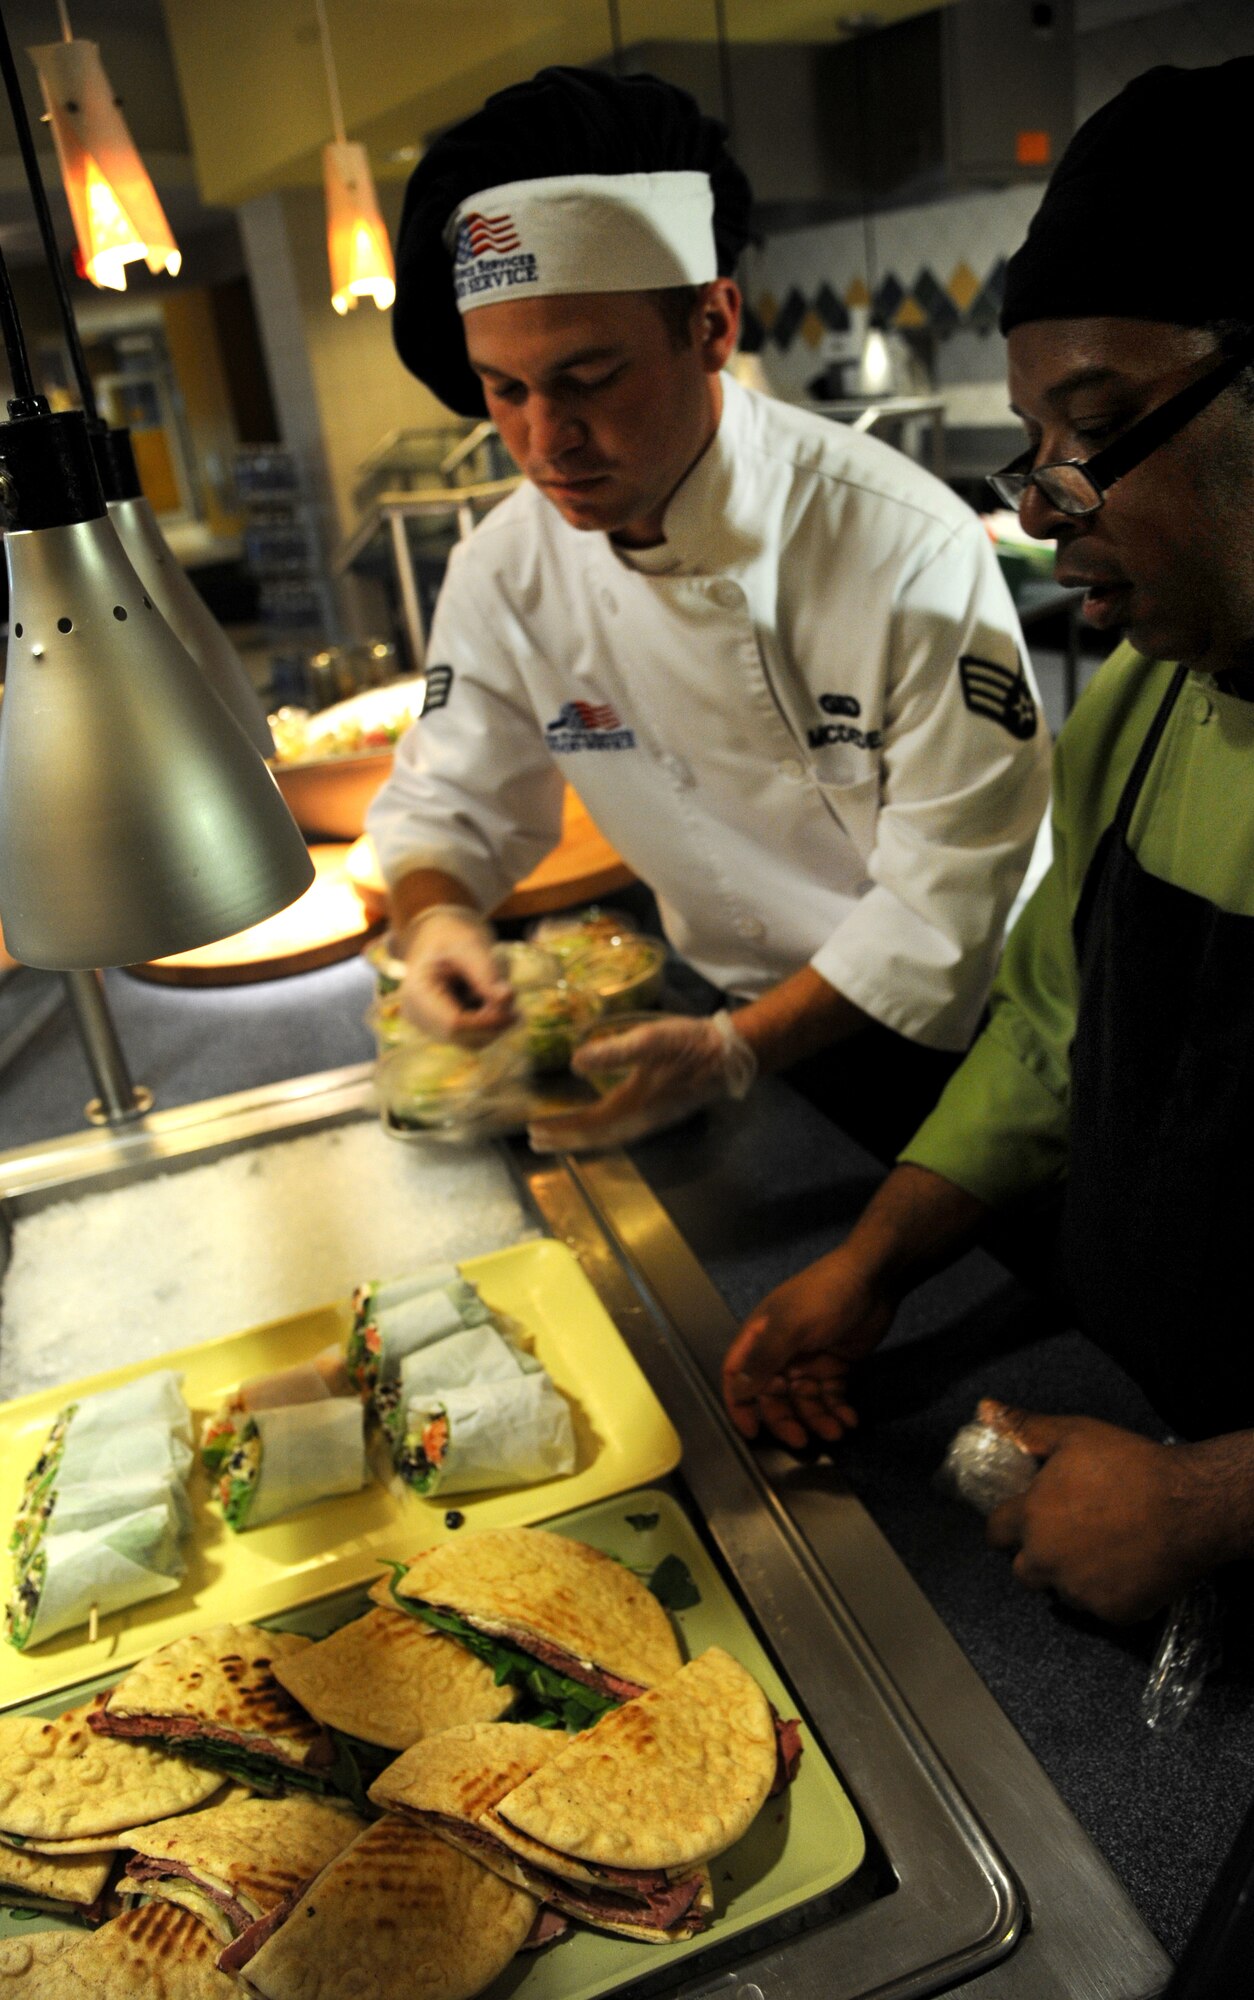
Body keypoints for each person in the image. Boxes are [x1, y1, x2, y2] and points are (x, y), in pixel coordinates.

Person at [722, 55, 1254, 1629]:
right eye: (1032, 445)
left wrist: (1211, 1502)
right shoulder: (1144, 711)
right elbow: (1046, 1031)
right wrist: (875, 1259)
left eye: (1092, 427)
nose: (1042, 507)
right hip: (1121, 1432)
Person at [367, 66, 1050, 1159]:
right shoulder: (505, 569)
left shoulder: (900, 543)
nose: (547, 442)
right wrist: (438, 917)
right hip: (730, 1020)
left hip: (988, 1042)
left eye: (588, 377)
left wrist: (737, 1050)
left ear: (712, 322)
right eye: (505, 390)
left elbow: (952, 897)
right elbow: (450, 805)